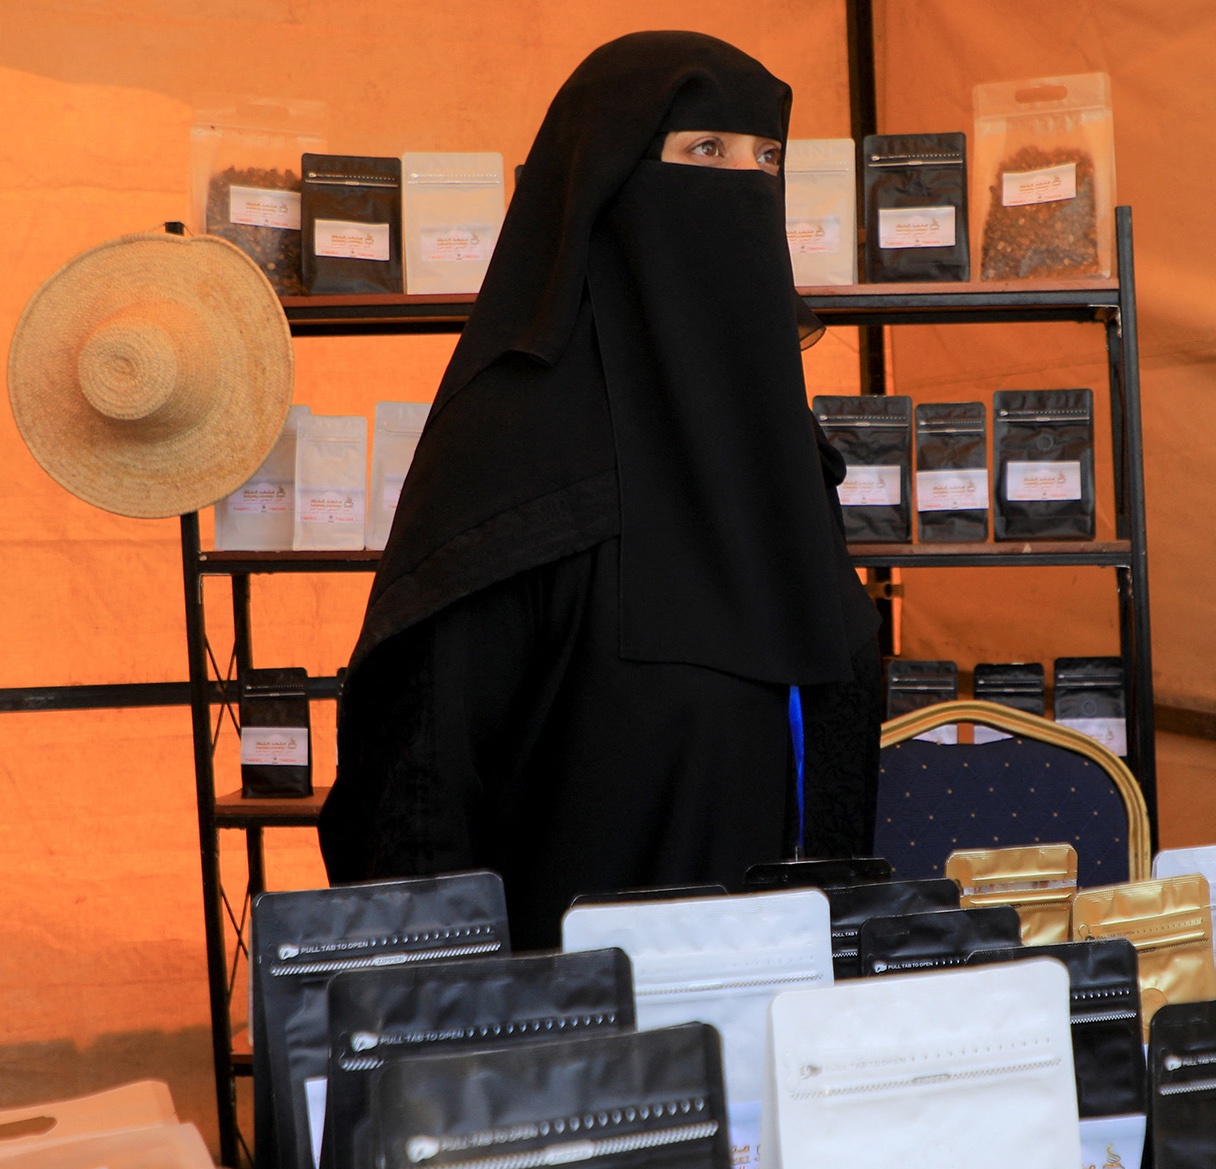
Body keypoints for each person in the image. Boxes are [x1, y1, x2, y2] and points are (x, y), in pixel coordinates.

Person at [318, 32, 882, 948]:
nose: (743, 184)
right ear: (606, 180)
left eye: (765, 159)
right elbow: (417, 796)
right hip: (574, 1046)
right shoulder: (510, 453)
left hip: (781, 1020)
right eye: (704, 152)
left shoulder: (777, 449)